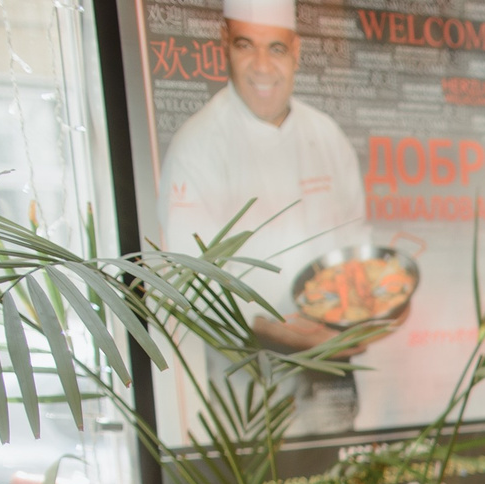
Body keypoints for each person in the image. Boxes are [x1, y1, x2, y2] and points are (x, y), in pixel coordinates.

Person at [157, 0, 372, 433]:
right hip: (250, 392)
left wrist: (368, 310)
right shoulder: (196, 146)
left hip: (332, 375)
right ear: (225, 45)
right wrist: (292, 333)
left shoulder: (325, 136)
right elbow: (189, 285)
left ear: (295, 51)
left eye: (275, 48)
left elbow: (356, 243)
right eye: (244, 46)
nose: (261, 67)